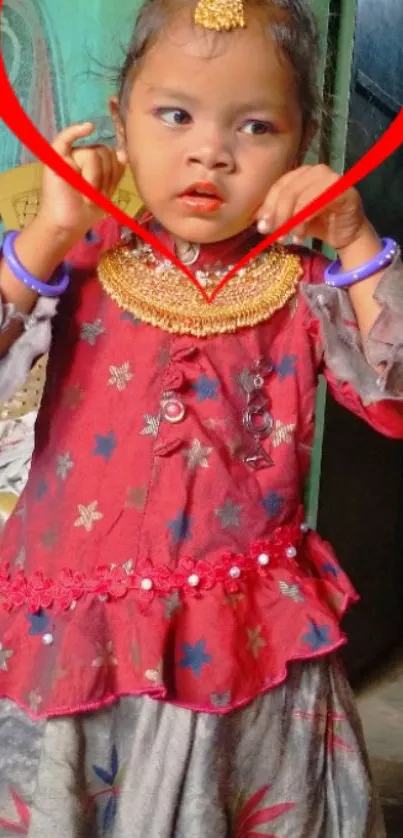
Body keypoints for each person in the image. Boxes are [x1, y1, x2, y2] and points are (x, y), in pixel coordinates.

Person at [0, 0, 402, 835]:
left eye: (255, 128)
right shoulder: (81, 256)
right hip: (74, 638)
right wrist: (45, 235)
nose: (209, 152)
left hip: (239, 653)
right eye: (173, 114)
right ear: (120, 121)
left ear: (302, 149)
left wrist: (357, 239)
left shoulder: (306, 287)